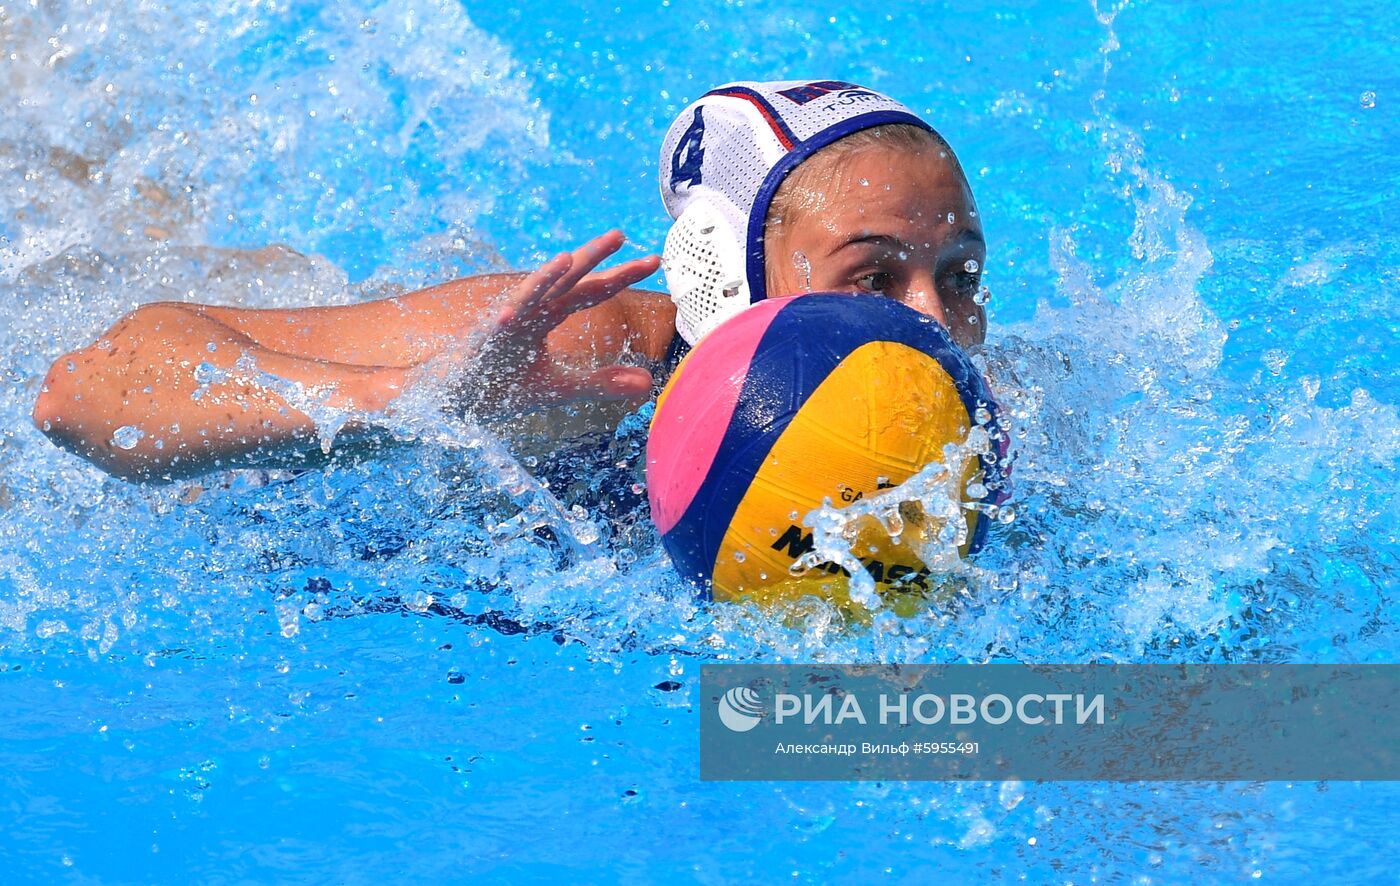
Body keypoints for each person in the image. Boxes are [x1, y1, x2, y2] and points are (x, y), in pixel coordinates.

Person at [32, 80, 987, 482]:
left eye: (960, 276)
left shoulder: (971, 421)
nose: (935, 320)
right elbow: (87, 387)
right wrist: (418, 400)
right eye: (873, 274)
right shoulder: (589, 359)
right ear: (727, 273)